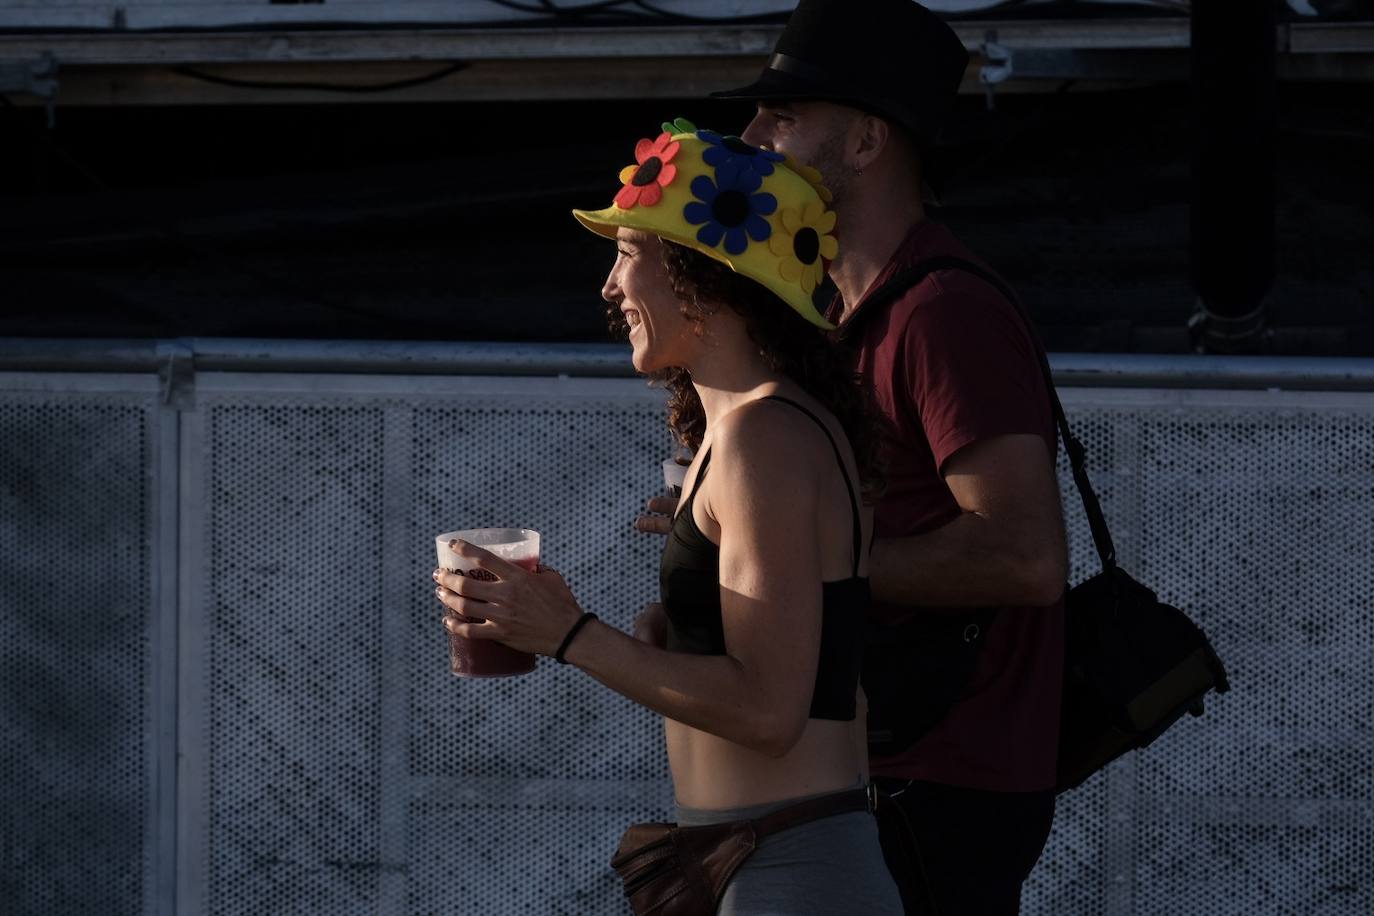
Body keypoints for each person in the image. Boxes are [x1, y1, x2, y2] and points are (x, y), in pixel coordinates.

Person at [634, 3, 1070, 914]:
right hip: (876, 771)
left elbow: (1024, 557)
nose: (751, 136)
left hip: (937, 780)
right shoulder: (831, 313)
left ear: (868, 141)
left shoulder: (942, 313)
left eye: (785, 117)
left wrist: (796, 565)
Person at [433, 125, 902, 914]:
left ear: (700, 275)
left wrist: (570, 634)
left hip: (791, 869)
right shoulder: (758, 429)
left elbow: (768, 711)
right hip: (772, 857)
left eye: (627, 254)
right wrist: (678, 636)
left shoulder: (764, 437)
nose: (611, 287)